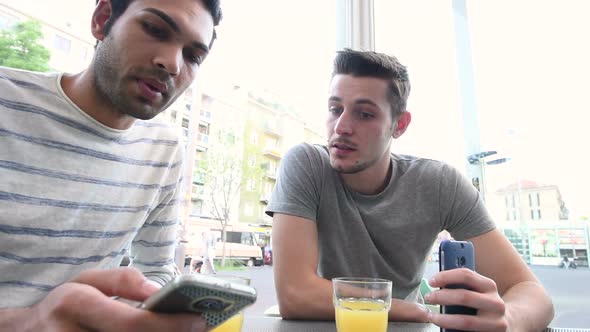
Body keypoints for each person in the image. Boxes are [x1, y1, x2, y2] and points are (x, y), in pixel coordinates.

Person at [266, 49, 554, 331]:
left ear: (399, 125)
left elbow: (533, 294)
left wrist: (510, 321)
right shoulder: (307, 165)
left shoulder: (439, 183)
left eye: (364, 114)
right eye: (335, 109)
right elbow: (296, 294)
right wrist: (415, 311)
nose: (341, 127)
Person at [0, 0, 222, 330]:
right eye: (155, 30)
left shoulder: (164, 149)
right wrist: (31, 321)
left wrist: (134, 306)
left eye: (193, 56)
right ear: (103, 19)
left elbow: (157, 268)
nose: (172, 63)